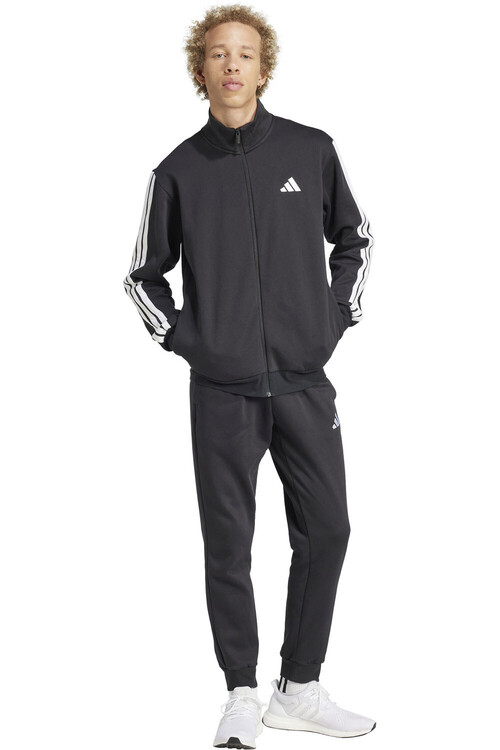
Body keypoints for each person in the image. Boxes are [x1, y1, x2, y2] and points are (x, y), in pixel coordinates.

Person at [123, 5, 376, 747]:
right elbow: (142, 276)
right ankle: (240, 691)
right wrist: (193, 342)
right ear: (199, 72)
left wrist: (334, 317)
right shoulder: (177, 171)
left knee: (328, 529)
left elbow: (356, 238)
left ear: (263, 69)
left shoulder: (310, 149)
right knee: (229, 546)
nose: (231, 64)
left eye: (244, 53)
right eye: (216, 54)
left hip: (303, 380)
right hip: (223, 391)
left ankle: (299, 687)